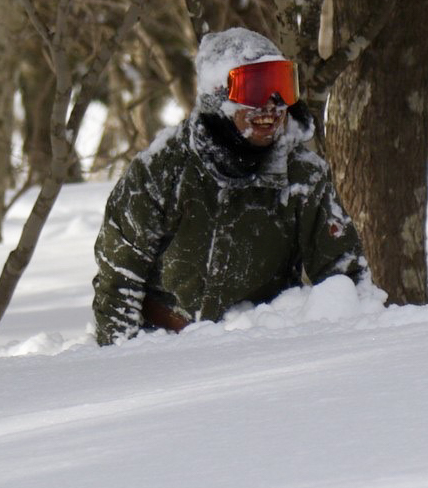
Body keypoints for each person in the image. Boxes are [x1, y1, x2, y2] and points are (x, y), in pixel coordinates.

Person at [92, 27, 371, 345]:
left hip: (258, 346)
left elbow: (345, 280)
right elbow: (118, 282)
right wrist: (127, 359)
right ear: (218, 98)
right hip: (163, 345)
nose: (272, 104)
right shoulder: (160, 170)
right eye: (255, 89)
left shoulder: (303, 176)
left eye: (282, 86)